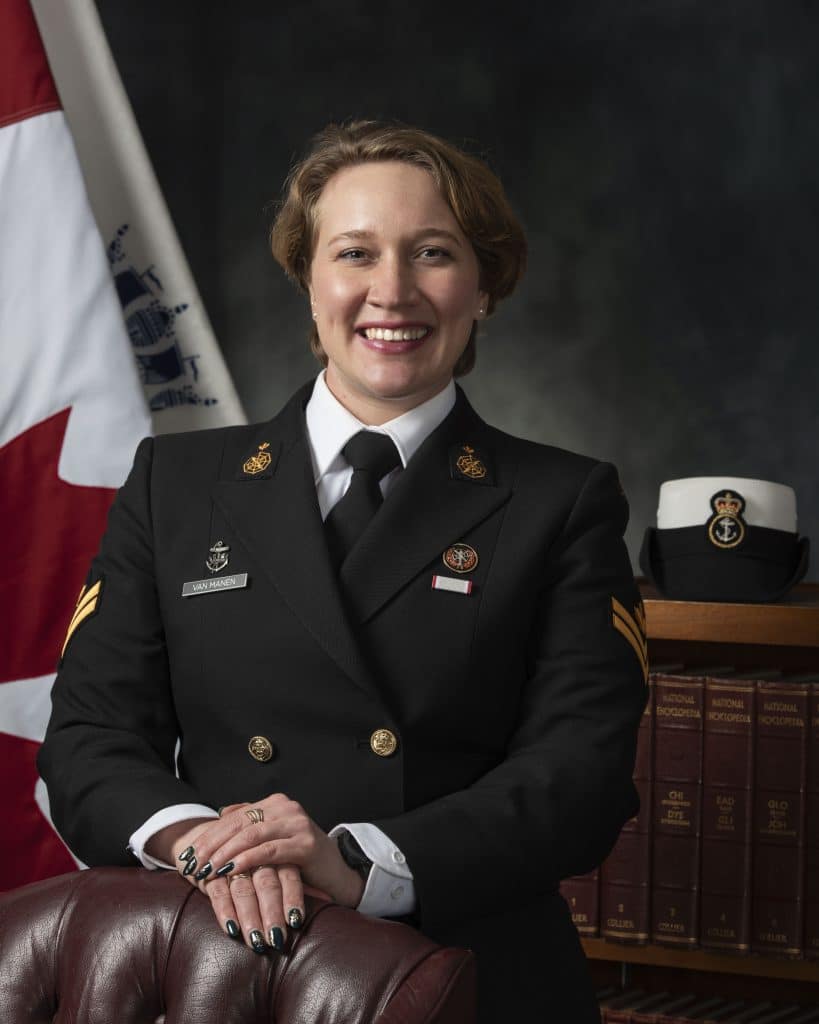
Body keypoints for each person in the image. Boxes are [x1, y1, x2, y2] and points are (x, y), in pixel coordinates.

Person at [39, 120, 648, 1021]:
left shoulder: (561, 500)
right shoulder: (177, 483)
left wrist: (356, 860)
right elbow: (88, 739)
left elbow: (579, 776)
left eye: (432, 253)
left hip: (464, 972)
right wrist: (207, 845)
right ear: (309, 277)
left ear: (483, 286)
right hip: (224, 965)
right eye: (355, 252)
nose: (390, 292)